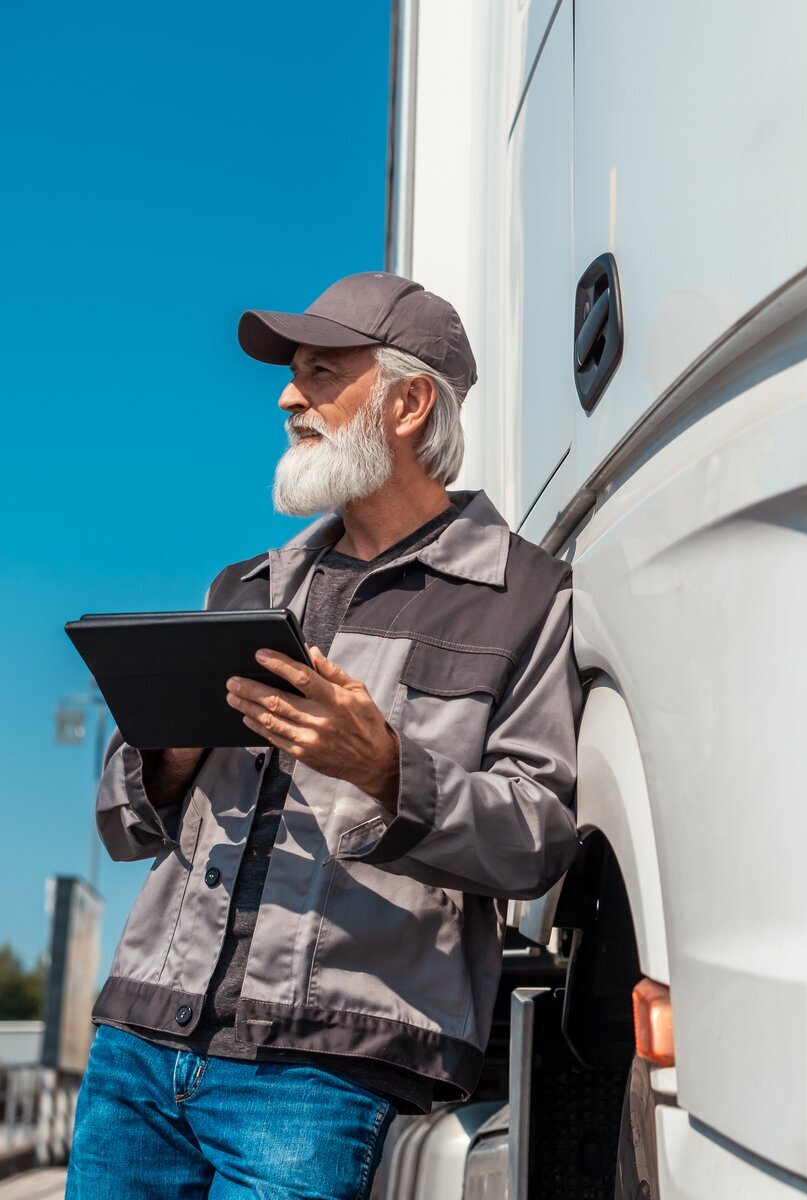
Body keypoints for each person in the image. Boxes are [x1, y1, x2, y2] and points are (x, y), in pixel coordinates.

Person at [64, 272, 584, 1199]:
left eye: (319, 372)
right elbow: (120, 821)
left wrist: (386, 770)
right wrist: (168, 752)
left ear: (408, 404)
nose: (286, 397)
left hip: (321, 1074)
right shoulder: (242, 589)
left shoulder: (525, 600)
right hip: (139, 1051)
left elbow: (537, 840)